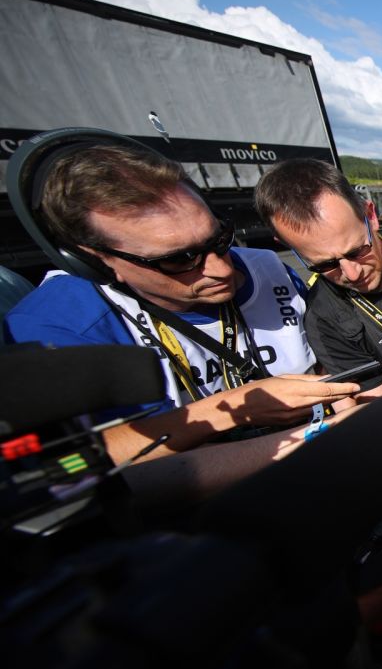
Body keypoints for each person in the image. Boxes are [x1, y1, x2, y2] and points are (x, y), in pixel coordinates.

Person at [3, 140, 358, 464]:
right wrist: (227, 411)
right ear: (96, 261)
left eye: (219, 239)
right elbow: (67, 465)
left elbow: (327, 366)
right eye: (179, 259)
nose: (222, 269)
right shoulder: (49, 330)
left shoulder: (268, 269)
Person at [255, 158, 382, 386]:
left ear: (370, 216)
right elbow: (375, 400)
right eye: (325, 265)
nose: (352, 274)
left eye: (356, 251)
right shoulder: (323, 317)